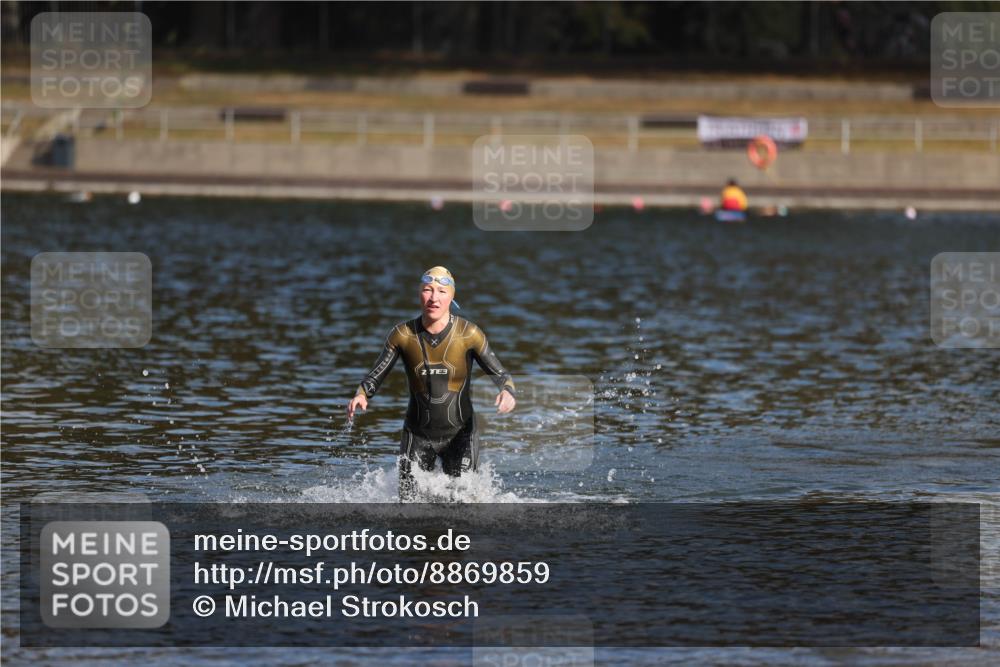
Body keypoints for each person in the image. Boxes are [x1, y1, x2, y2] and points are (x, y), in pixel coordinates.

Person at [347, 266, 516, 499]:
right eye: (428, 290)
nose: (434, 297)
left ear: (452, 296)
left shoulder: (469, 334)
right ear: (419, 294)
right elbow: (376, 374)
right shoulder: (403, 334)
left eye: (442, 291)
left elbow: (502, 375)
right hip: (417, 435)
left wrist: (507, 392)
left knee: (463, 507)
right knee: (408, 508)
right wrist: (362, 394)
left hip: (461, 435)